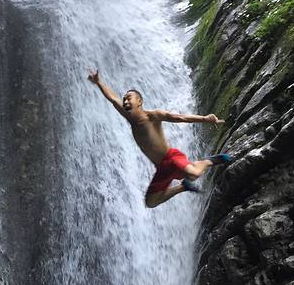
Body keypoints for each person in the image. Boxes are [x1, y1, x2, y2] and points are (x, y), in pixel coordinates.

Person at [88, 69, 231, 208]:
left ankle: (208, 161)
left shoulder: (153, 116)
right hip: (162, 168)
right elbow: (113, 98)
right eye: (124, 99)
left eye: (128, 98)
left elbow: (178, 117)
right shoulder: (129, 118)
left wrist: (205, 119)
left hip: (172, 157)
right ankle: (182, 187)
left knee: (193, 174)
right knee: (150, 202)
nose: (125, 101)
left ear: (139, 101)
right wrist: (98, 82)